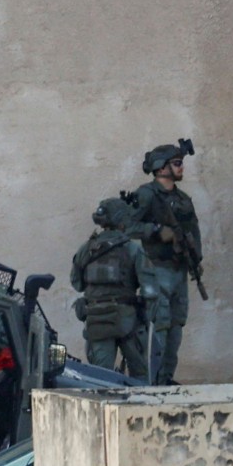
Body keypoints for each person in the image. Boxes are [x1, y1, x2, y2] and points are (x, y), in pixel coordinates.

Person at [129, 141, 203, 385]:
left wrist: (196, 259)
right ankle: (153, 378)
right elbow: (128, 225)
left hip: (180, 269)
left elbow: (193, 231)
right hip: (157, 268)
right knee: (158, 326)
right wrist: (157, 231)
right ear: (161, 168)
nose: (182, 168)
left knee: (176, 326)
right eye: (177, 163)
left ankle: (167, 377)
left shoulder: (183, 199)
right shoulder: (147, 195)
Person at [71, 197, 161, 381]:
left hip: (97, 321)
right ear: (122, 220)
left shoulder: (86, 249)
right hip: (128, 320)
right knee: (140, 377)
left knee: (100, 379)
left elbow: (77, 283)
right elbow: (150, 290)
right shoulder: (132, 249)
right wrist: (147, 315)